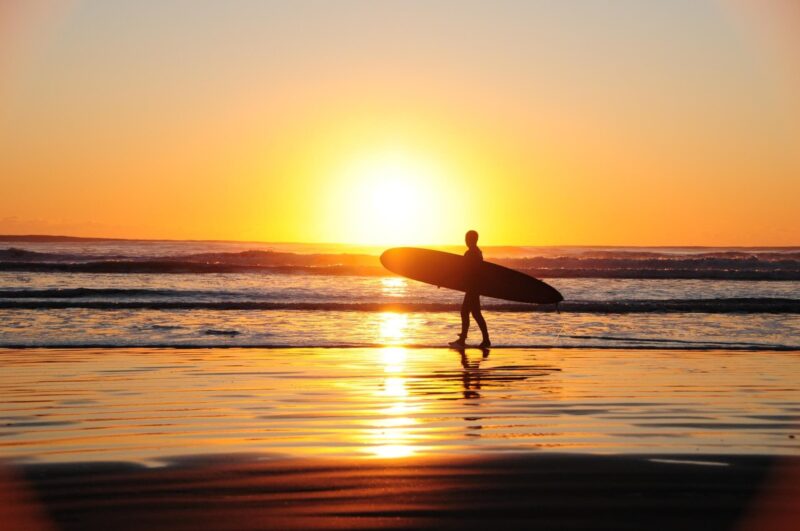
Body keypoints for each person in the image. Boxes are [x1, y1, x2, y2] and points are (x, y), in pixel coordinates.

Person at [449, 230, 491, 348]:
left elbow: (464, 271)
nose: (466, 241)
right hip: (475, 287)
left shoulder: (470, 253)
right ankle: (485, 340)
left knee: (466, 312)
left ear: (472, 240)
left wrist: (445, 280)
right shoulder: (478, 252)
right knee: (476, 314)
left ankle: (463, 340)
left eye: (467, 239)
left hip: (472, 288)